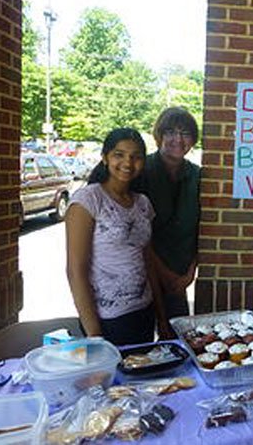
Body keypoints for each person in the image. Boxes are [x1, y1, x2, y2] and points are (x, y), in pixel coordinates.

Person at [65, 128, 165, 345]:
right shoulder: (88, 200)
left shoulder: (142, 203)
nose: (128, 163)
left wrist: (162, 319)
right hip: (106, 320)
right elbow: (75, 271)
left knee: (144, 377)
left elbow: (147, 262)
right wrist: (95, 335)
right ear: (105, 158)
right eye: (119, 154)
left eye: (136, 156)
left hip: (143, 313)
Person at [134, 107, 201, 321]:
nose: (178, 139)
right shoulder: (142, 171)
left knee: (176, 337)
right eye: (171, 132)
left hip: (180, 278)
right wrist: (164, 273)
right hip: (141, 274)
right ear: (159, 135)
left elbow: (205, 228)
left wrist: (190, 273)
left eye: (185, 133)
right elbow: (138, 233)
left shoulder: (198, 176)